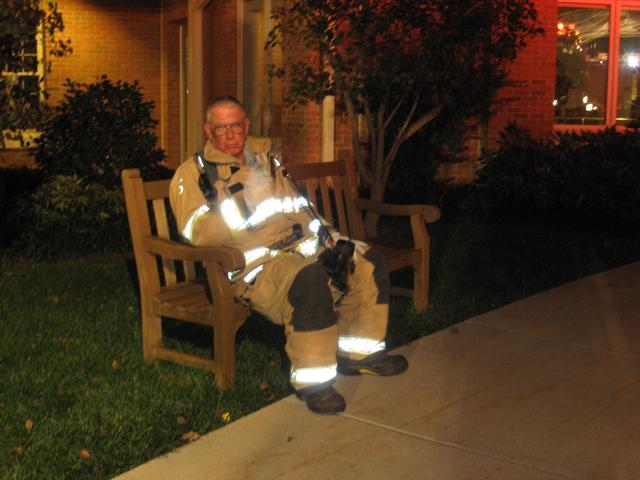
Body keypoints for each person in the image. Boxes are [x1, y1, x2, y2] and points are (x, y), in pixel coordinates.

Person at [169, 96, 407, 414]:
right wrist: (246, 192)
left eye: (235, 125)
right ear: (208, 130)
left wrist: (330, 237)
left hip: (296, 249)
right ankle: (315, 384)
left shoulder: (267, 162)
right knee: (308, 280)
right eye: (220, 127)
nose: (229, 134)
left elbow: (299, 209)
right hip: (250, 268)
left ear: (246, 126)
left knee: (365, 261)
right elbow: (198, 234)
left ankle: (359, 355)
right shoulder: (194, 175)